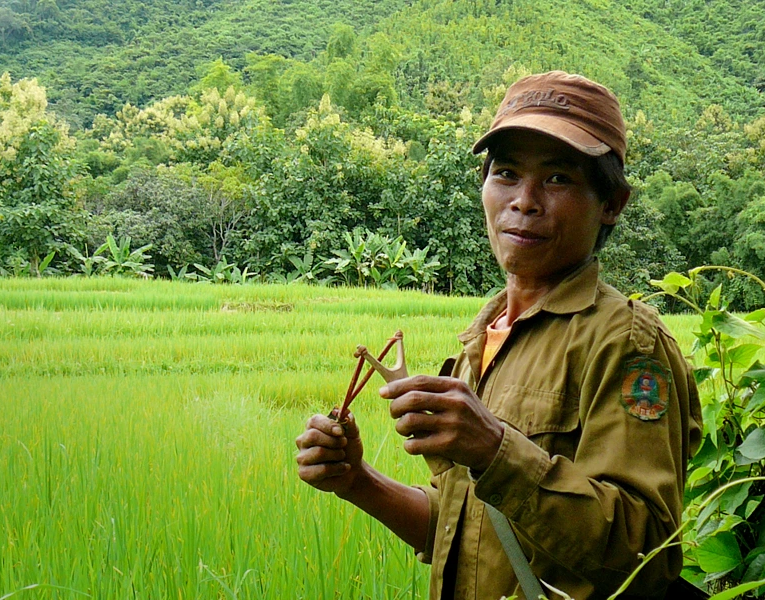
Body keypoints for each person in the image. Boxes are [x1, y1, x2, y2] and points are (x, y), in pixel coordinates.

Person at [296, 71, 703, 600]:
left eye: (557, 178)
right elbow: (466, 531)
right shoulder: (479, 342)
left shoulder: (627, 344)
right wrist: (358, 481)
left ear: (611, 203)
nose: (525, 201)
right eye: (507, 173)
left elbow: (646, 551)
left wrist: (495, 449)